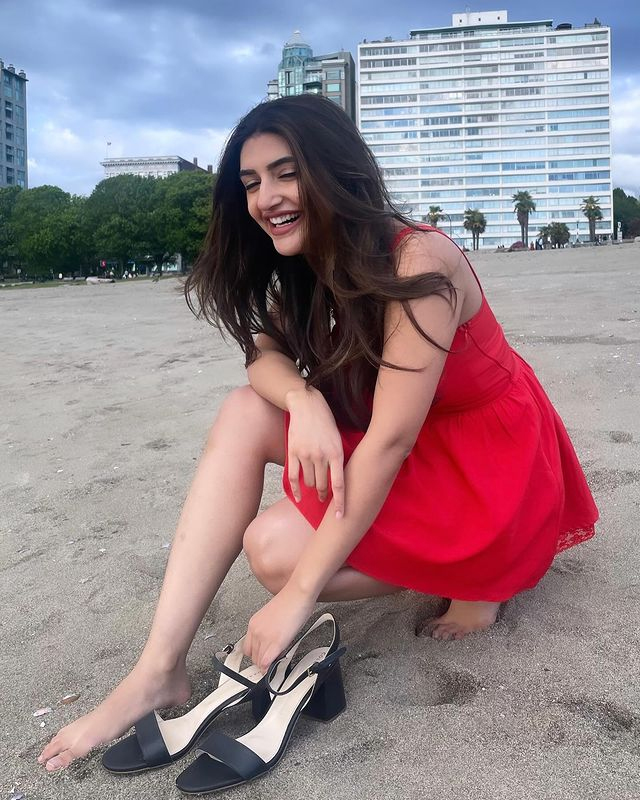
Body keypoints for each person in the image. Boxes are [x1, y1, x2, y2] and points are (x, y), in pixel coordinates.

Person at [38, 94, 598, 772]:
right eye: (251, 183)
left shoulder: (418, 260)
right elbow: (263, 357)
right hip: (410, 448)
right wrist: (303, 399)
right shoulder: (305, 265)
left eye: (286, 173)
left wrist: (299, 597)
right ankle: (158, 669)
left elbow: (390, 441)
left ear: (336, 171)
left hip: (481, 466)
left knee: (279, 559)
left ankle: (481, 575)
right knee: (246, 410)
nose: (266, 198)